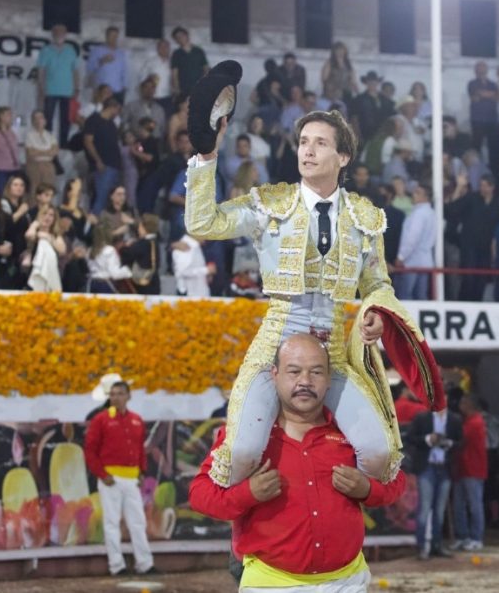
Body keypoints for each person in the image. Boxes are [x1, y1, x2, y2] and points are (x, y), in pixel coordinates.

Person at [185, 105, 442, 490]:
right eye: (304, 142)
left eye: (320, 143)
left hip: (331, 351)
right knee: (240, 454)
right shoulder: (270, 204)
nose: (307, 150)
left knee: (378, 454)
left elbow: (378, 283)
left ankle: (326, 512)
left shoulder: (365, 217)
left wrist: (376, 311)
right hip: (276, 345)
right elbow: (203, 222)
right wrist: (207, 158)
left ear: (343, 157)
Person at [189, 334, 405, 590]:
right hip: (271, 583)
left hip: (346, 582)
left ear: (329, 379)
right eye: (294, 371)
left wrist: (367, 489)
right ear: (275, 375)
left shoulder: (352, 433)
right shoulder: (247, 437)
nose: (305, 381)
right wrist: (248, 494)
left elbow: (396, 482)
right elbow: (200, 495)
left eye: (316, 372)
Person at [83, 379, 159, 577]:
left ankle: (145, 564)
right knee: (111, 523)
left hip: (132, 479)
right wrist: (102, 474)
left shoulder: (136, 420)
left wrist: (142, 471)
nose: (116, 397)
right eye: (113, 394)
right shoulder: (101, 420)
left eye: (120, 394)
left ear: (128, 396)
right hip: (111, 479)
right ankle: (116, 566)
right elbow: (90, 450)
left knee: (138, 522)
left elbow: (140, 449)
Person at [407, 404, 463, 560]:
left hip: (445, 467)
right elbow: (410, 438)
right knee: (424, 508)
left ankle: (436, 545)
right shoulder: (422, 417)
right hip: (427, 467)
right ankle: (422, 546)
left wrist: (449, 443)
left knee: (439, 510)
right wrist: (428, 439)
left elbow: (461, 442)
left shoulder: (454, 419)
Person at [451, 394, 488, 552]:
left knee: (474, 505)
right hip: (461, 469)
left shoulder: (475, 422)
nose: (460, 406)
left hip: (473, 469)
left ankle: (476, 538)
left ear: (469, 405)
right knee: (459, 505)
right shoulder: (466, 421)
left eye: (463, 403)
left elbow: (461, 441)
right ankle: (463, 536)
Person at [37, 23, 80, 143]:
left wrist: (77, 88)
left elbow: (75, 71)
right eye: (57, 32)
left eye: (62, 32)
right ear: (52, 34)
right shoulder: (45, 50)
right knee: (47, 119)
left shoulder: (71, 50)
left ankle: (63, 144)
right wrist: (41, 88)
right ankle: (47, 143)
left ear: (65, 34)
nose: (59, 34)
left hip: (67, 91)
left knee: (66, 120)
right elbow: (41, 71)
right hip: (50, 90)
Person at [394, 184, 436, 300]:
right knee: (421, 296)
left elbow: (412, 238)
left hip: (412, 261)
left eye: (418, 193)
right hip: (425, 261)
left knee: (406, 296)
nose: (413, 194)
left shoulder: (419, 214)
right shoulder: (431, 213)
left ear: (426, 197)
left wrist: (401, 256)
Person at [84, 97, 124, 215]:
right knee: (101, 198)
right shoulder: (93, 120)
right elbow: (88, 141)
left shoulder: (111, 124)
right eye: (118, 110)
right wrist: (98, 160)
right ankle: (93, 224)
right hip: (103, 165)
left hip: (114, 165)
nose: (117, 113)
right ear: (112, 108)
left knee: (110, 201)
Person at [86, 26, 129, 103]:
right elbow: (89, 68)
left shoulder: (121, 53)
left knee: (117, 111)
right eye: (112, 36)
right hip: (102, 91)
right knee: (100, 111)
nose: (114, 38)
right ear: (106, 36)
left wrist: (124, 87)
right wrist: (102, 61)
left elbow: (124, 71)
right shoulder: (97, 50)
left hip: (117, 90)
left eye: (116, 36)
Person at [170, 27, 209, 98]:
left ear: (187, 35)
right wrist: (176, 89)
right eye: (177, 37)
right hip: (183, 91)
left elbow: (206, 69)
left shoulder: (199, 51)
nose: (180, 38)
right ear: (176, 40)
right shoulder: (176, 54)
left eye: (182, 35)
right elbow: (174, 74)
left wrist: (204, 85)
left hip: (199, 89)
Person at [171, 232, 213, 297]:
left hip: (200, 294)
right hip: (190, 296)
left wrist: (207, 274)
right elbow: (183, 271)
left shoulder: (195, 246)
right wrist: (206, 270)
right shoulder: (184, 246)